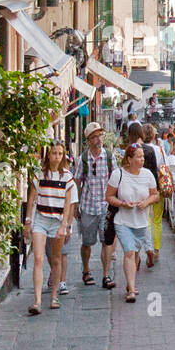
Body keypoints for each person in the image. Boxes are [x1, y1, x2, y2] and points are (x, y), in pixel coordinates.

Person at [23, 141, 77, 315]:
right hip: (41, 219)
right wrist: (28, 220)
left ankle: (54, 296)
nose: (57, 157)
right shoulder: (40, 174)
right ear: (48, 154)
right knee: (38, 259)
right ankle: (37, 301)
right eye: (54, 153)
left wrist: (65, 225)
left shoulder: (67, 177)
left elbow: (68, 203)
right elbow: (31, 199)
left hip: (57, 221)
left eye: (60, 154)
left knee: (56, 260)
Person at [107, 142, 159, 303]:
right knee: (129, 252)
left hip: (141, 222)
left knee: (135, 253)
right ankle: (131, 289)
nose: (142, 159)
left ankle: (132, 282)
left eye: (143, 156)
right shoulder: (118, 175)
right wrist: (122, 204)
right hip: (123, 220)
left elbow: (155, 195)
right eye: (139, 157)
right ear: (129, 159)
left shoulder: (148, 175)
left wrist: (147, 202)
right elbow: (109, 196)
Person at [74, 122, 117, 290]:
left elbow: (115, 178)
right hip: (88, 206)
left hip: (105, 207)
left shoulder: (108, 156)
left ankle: (106, 275)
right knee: (87, 242)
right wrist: (76, 204)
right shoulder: (83, 159)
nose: (99, 139)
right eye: (95, 137)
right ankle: (86, 270)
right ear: (89, 140)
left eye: (100, 135)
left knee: (107, 242)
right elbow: (77, 182)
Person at [142, 123, 169, 266]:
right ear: (153, 135)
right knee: (157, 220)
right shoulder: (159, 150)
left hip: (142, 189)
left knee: (145, 219)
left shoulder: (139, 149)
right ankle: (156, 249)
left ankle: (148, 248)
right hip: (157, 187)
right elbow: (163, 168)